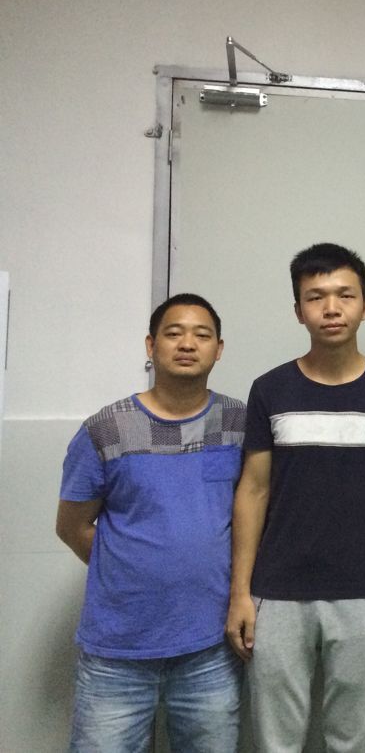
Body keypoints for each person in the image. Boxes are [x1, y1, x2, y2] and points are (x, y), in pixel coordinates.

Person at [225, 242, 365, 753]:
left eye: (344, 295)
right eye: (316, 297)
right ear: (298, 310)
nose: (331, 308)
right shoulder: (271, 389)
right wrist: (240, 592)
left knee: (349, 740)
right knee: (277, 742)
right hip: (276, 592)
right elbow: (253, 490)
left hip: (364, 591)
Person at [56, 293, 245, 752]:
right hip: (117, 652)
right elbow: (73, 526)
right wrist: (132, 569)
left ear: (219, 349)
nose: (187, 344)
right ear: (150, 345)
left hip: (210, 648)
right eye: (173, 333)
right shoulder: (106, 429)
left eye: (202, 335)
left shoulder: (240, 423)